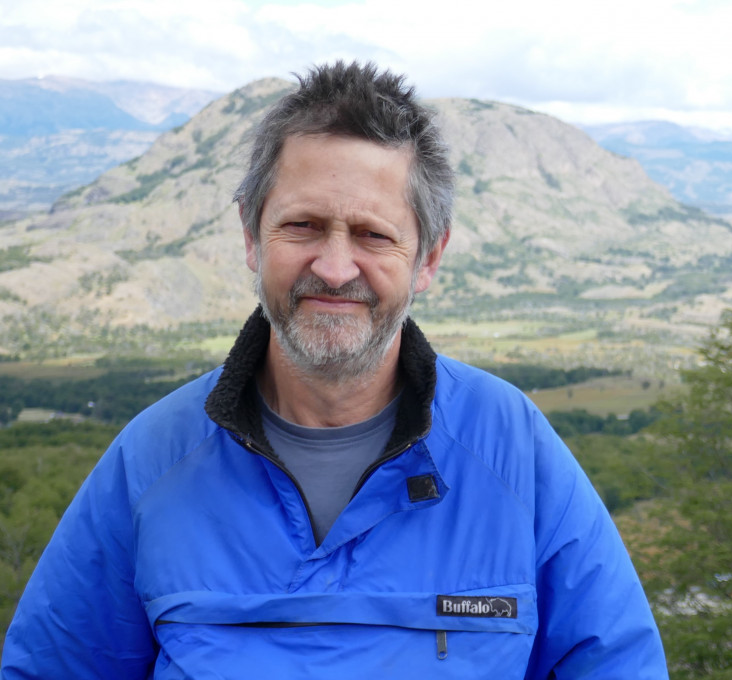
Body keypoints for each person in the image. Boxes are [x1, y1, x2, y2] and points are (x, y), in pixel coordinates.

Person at [2, 61, 669, 679]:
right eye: (303, 226)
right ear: (250, 235)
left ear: (429, 258)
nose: (335, 267)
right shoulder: (152, 461)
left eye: (374, 235)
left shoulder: (514, 451)